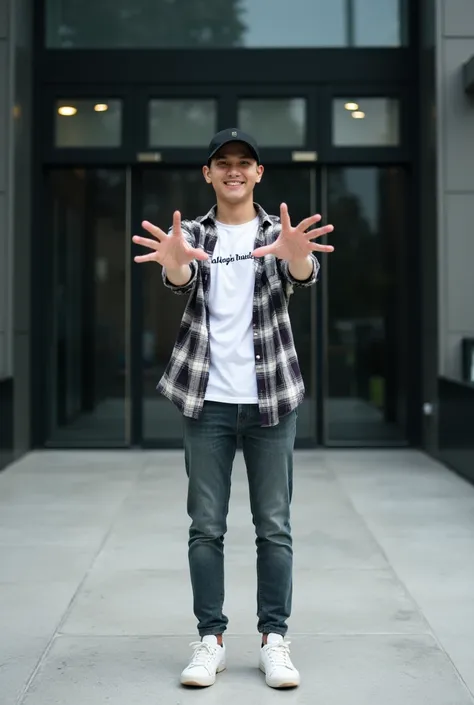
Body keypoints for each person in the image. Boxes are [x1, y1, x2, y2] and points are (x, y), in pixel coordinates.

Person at [132, 128, 335, 689]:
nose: (234, 171)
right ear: (208, 174)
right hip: (207, 402)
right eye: (223, 163)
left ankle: (274, 639)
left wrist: (298, 260)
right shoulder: (192, 233)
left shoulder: (278, 232)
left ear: (259, 173)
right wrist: (173, 264)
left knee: (274, 527)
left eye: (245, 162)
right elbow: (181, 277)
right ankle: (210, 640)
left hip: (271, 401)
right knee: (206, 527)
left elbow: (303, 271)